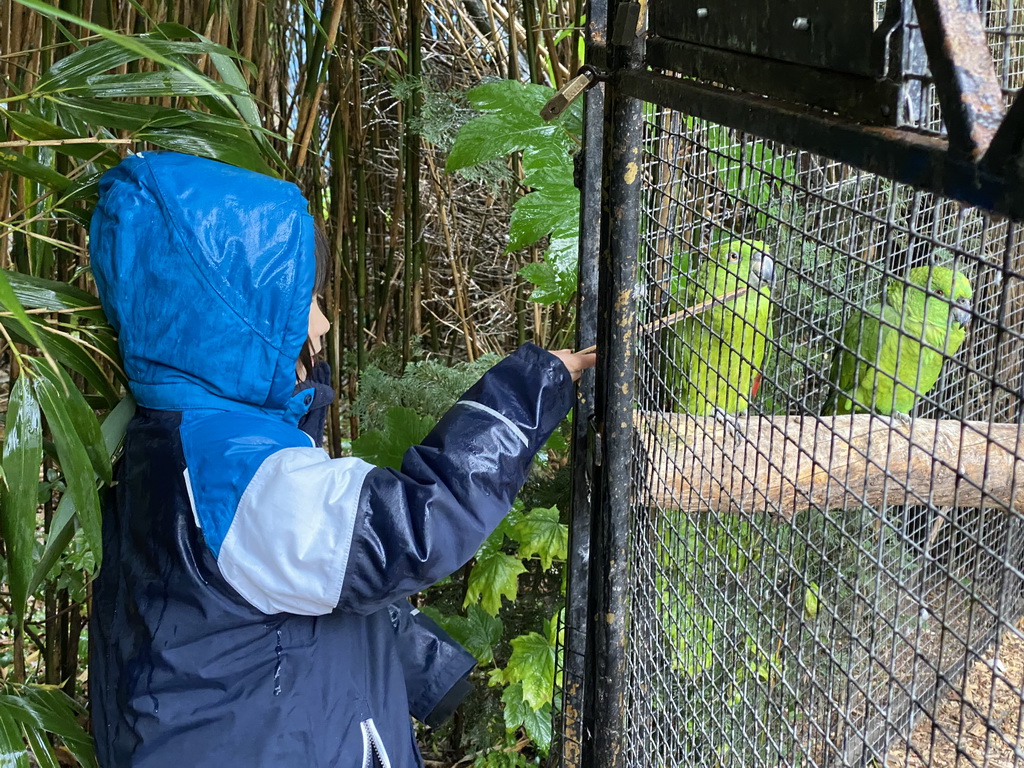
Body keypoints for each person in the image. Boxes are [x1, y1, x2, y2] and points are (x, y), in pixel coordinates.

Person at [86, 151, 595, 767]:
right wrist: (527, 393)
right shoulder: (239, 475)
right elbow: (417, 525)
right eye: (303, 301)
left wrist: (426, 671)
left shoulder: (178, 440)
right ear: (230, 319)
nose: (322, 325)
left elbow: (283, 610)